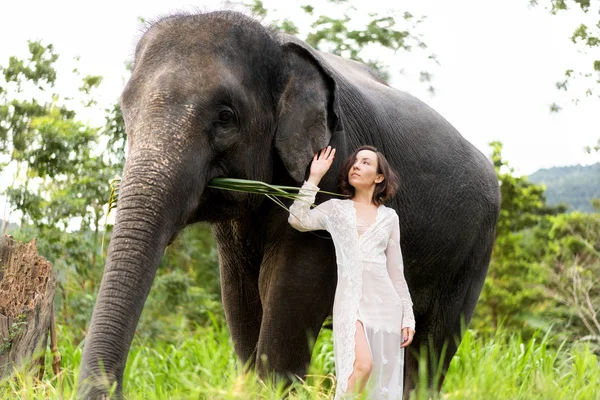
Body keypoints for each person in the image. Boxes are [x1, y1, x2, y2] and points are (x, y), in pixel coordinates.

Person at [288, 145, 415, 399]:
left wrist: (408, 317)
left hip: (386, 305)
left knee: (378, 380)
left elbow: (395, 272)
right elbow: (297, 219)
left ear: (379, 177)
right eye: (355, 162)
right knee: (361, 366)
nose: (356, 165)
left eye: (366, 162)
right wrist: (314, 177)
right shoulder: (336, 209)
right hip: (350, 302)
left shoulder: (389, 218)